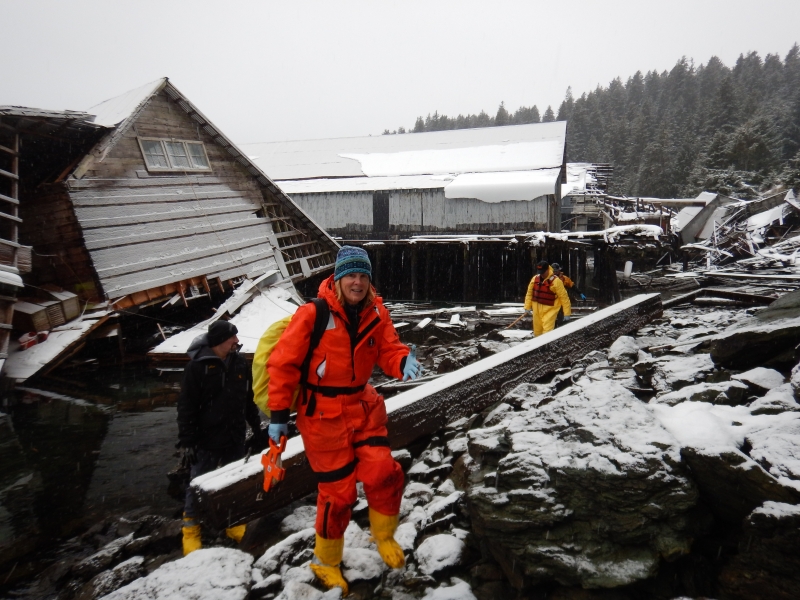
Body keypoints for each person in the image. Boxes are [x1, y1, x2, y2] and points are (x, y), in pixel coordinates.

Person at [266, 246, 422, 596]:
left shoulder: (377, 311)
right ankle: (325, 560)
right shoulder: (312, 314)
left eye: (363, 276)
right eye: (351, 275)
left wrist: (401, 362)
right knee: (338, 494)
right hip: (323, 416)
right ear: (338, 279)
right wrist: (278, 416)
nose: (357, 282)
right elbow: (282, 363)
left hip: (363, 406)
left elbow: (388, 348)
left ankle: (383, 535)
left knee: (384, 472)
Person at [177, 320, 266, 556]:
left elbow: (247, 398)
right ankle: (191, 530)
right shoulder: (196, 367)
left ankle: (232, 522)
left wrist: (255, 426)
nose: (237, 341)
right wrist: (186, 441)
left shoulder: (239, 362)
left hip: (234, 435)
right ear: (219, 341)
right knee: (198, 484)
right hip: (205, 439)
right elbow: (186, 406)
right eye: (232, 337)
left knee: (234, 480)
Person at [524, 260, 572, 336]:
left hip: (550, 311)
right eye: (540, 272)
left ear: (547, 270)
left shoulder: (556, 281)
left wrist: (567, 313)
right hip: (536, 311)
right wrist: (527, 307)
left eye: (543, 272)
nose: (541, 274)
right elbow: (529, 294)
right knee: (537, 333)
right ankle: (538, 347)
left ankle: (545, 347)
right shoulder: (534, 279)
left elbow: (564, 298)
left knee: (547, 333)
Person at [550, 262, 585, 327]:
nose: (555, 272)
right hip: (551, 301)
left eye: (556, 271)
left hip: (561, 301)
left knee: (561, 319)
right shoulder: (548, 279)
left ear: (559, 270)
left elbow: (572, 286)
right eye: (553, 271)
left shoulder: (564, 279)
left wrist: (580, 293)